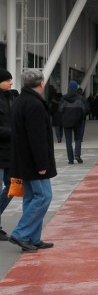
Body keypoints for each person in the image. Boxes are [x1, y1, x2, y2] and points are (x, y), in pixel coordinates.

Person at [9, 69, 57, 252]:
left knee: (31, 197)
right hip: (34, 161)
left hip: (22, 159)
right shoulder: (34, 104)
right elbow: (37, 137)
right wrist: (42, 164)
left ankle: (33, 237)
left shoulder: (20, 101)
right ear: (41, 84)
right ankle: (21, 233)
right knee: (44, 196)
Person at [0, 69, 18, 242]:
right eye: (7, 80)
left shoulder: (11, 98)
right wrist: (13, 132)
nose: (11, 83)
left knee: (13, 187)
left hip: (10, 152)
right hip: (1, 151)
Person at [59, 80, 89, 164]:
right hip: (78, 121)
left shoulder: (64, 98)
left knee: (68, 141)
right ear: (76, 88)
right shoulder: (81, 98)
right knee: (78, 139)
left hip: (66, 122)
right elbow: (85, 110)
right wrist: (82, 117)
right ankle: (77, 155)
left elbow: (60, 109)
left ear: (69, 87)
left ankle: (70, 159)